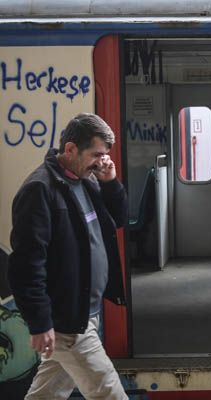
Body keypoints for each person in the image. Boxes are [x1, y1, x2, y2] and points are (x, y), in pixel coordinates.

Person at [8, 113, 128, 399]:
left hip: (87, 312)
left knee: (47, 393)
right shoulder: (40, 190)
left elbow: (119, 220)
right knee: (109, 392)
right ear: (71, 149)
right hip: (68, 321)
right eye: (96, 154)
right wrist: (40, 322)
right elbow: (26, 265)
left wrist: (110, 182)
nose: (101, 162)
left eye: (104, 155)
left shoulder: (87, 179)